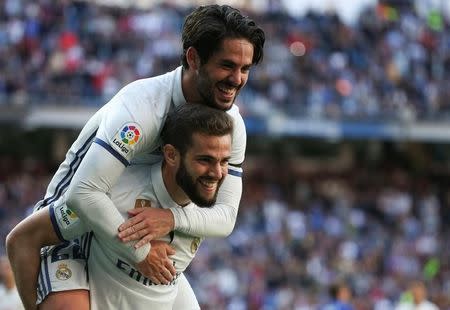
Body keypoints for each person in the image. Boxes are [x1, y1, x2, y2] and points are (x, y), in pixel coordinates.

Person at [9, 3, 264, 310]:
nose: (237, 79)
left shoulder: (232, 126)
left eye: (245, 69)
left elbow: (226, 216)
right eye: (227, 65)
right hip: (80, 226)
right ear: (194, 58)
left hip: (140, 229)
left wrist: (171, 218)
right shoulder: (142, 108)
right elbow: (83, 193)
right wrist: (141, 254)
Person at [7, 103, 233, 309]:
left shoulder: (210, 207)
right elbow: (22, 239)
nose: (217, 173)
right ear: (171, 155)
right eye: (205, 160)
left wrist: (172, 219)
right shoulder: (109, 197)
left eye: (224, 162)